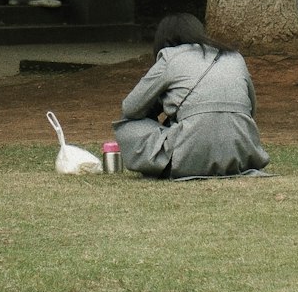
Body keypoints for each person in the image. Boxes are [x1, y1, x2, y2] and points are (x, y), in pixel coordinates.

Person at [114, 13, 270, 179]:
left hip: (189, 154)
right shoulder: (234, 56)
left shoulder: (170, 56)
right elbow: (251, 109)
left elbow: (130, 108)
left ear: (164, 39)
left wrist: (160, 102)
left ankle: (171, 162)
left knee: (127, 124)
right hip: (242, 154)